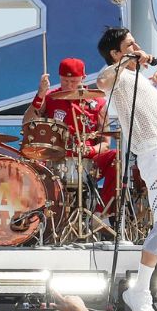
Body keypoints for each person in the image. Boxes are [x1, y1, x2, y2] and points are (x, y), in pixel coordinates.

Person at [96, 28, 157, 311]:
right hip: (153, 153)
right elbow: (100, 81)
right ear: (116, 53)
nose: (137, 46)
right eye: (129, 44)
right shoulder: (118, 76)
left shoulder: (138, 79)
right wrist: (129, 59)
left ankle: (149, 288)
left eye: (136, 42)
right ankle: (140, 291)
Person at [29, 56, 121, 207]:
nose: (69, 85)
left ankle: (103, 211)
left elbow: (105, 143)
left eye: (74, 81)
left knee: (116, 157)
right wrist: (40, 93)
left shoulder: (97, 102)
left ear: (83, 78)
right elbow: (29, 119)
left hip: (89, 162)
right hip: (56, 161)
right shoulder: (50, 97)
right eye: (65, 81)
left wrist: (90, 149)